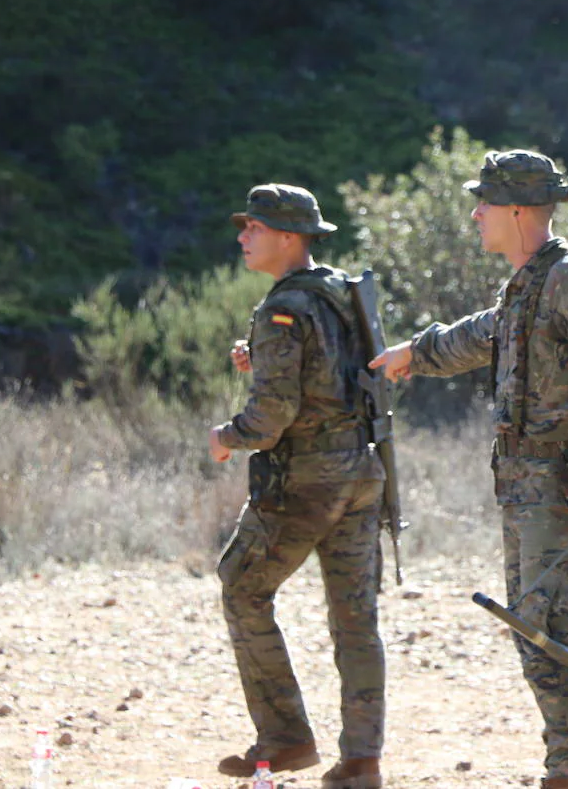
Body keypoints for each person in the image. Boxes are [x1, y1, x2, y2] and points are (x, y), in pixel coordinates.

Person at [371, 149, 568, 789]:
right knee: (541, 633)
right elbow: (482, 335)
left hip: (563, 489)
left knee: (545, 634)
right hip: (525, 490)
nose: (475, 214)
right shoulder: (528, 283)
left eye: (486, 202)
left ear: (519, 209)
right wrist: (413, 353)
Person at [208, 184, 386, 789]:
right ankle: (362, 762)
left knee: (241, 585)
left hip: (305, 481)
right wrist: (261, 355)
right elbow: (341, 374)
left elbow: (273, 416)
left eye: (253, 228)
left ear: (288, 237)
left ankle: (285, 739)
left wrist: (228, 435)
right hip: (361, 473)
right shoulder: (338, 293)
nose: (243, 237)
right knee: (356, 618)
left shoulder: (282, 307)